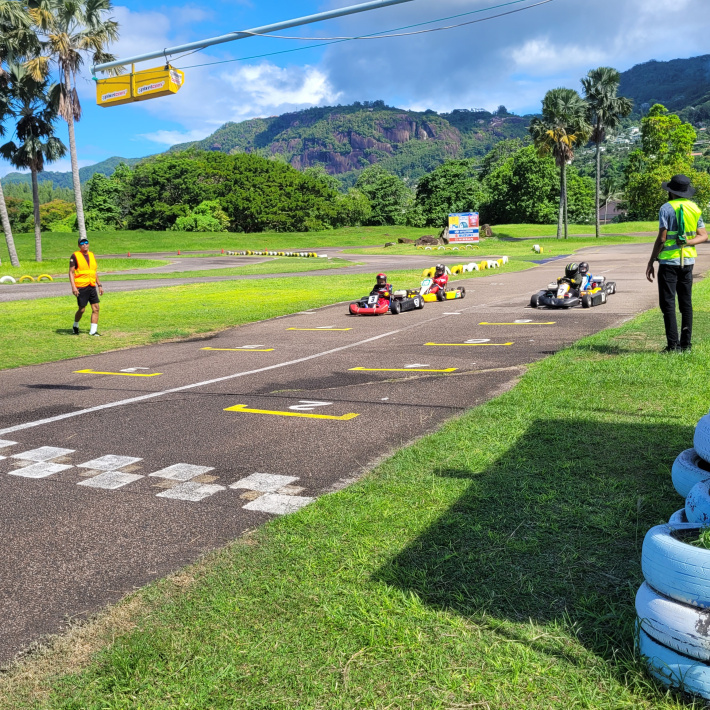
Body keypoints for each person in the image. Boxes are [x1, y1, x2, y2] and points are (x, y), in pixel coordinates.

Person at [646, 174, 708, 352]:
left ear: (671, 191)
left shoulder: (666, 208)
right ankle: (686, 345)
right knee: (686, 303)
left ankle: (673, 345)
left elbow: (662, 238)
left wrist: (651, 260)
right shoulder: (694, 208)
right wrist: (687, 242)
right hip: (687, 261)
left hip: (668, 262)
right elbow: (703, 235)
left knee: (668, 303)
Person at [69, 237, 104, 336]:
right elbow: (71, 272)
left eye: (86, 242)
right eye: (82, 243)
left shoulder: (92, 255)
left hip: (91, 285)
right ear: (79, 245)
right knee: (82, 309)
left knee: (96, 307)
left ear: (88, 244)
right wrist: (74, 287)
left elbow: (93, 272)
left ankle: (93, 331)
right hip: (81, 286)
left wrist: (99, 285)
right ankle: (75, 325)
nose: (84, 244)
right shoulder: (75, 256)